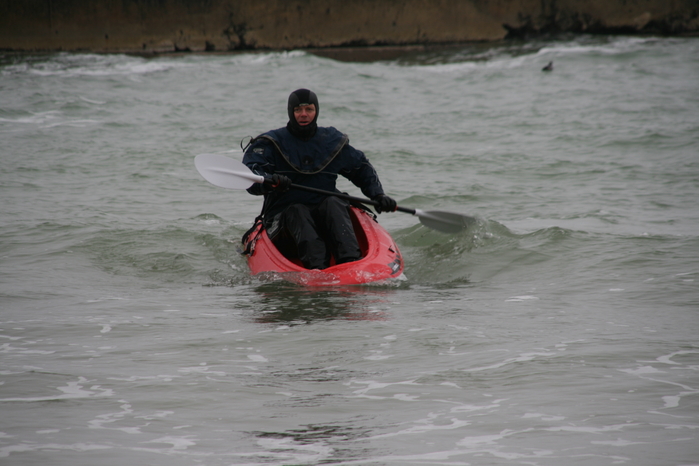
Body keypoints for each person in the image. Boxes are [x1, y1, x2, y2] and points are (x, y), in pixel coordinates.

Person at [242, 88, 397, 270]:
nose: (304, 115)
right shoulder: (270, 143)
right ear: (291, 112)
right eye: (298, 110)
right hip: (284, 224)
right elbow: (252, 176)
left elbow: (361, 169)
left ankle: (351, 263)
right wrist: (269, 180)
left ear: (316, 111)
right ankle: (317, 268)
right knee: (297, 210)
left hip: (325, 217)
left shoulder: (330, 141)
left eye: (309, 109)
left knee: (334, 202)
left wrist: (378, 195)